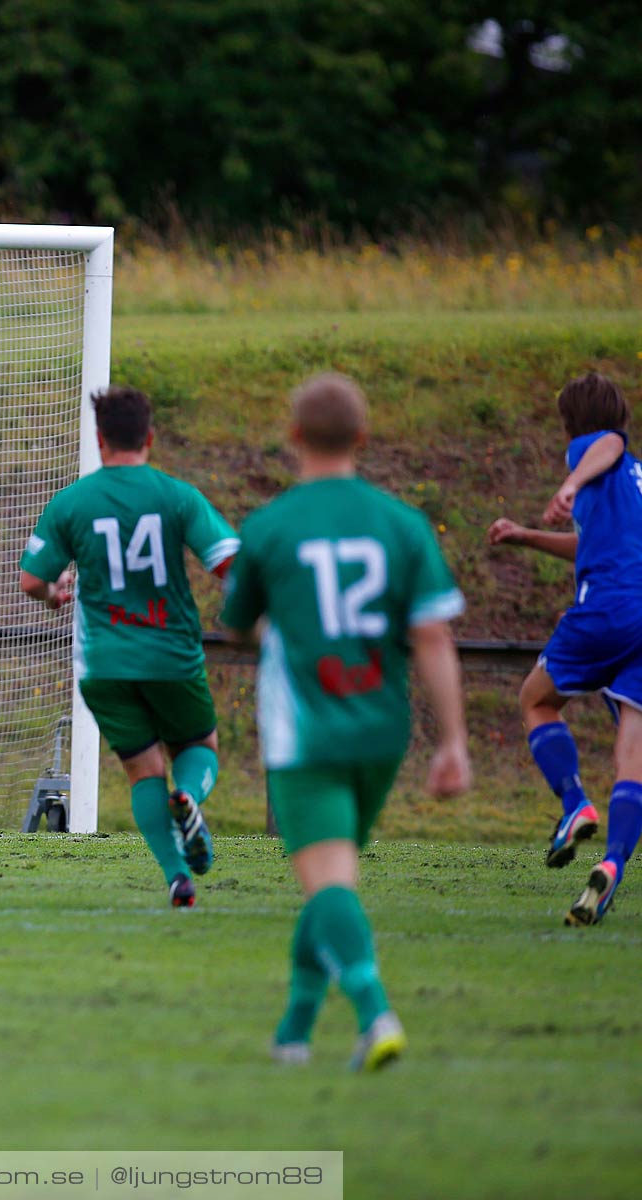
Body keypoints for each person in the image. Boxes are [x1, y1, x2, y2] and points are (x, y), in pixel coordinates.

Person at [220, 373, 470, 1072]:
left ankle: (375, 1012)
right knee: (331, 883)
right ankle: (294, 1033)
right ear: (362, 439)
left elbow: (237, 627)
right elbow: (432, 638)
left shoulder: (270, 527)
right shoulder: (403, 525)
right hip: (382, 731)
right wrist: (452, 742)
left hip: (309, 731)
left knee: (328, 884)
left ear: (293, 436)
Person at [19, 386, 237, 907]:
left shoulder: (73, 502)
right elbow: (231, 564)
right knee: (198, 748)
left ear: (99, 439)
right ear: (150, 436)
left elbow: (31, 580)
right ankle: (188, 797)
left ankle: (176, 876)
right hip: (172, 655)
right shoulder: (177, 496)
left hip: (106, 664)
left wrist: (55, 594)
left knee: (142, 770)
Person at [487, 372, 642, 926]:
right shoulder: (635, 481)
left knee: (536, 699)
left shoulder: (598, 447)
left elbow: (610, 442)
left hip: (608, 607)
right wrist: (526, 534)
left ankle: (574, 802)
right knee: (634, 754)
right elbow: (594, 543)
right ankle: (613, 864)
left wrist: (571, 482)